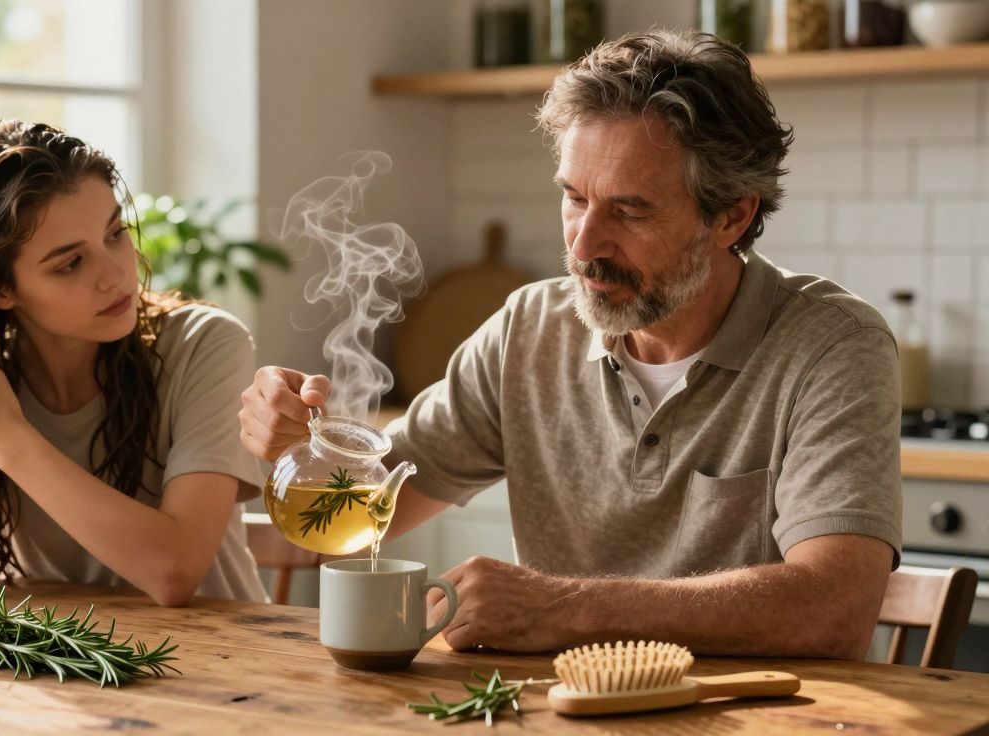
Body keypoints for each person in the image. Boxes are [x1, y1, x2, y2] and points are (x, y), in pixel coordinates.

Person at [238, 30, 901, 657]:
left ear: (732, 215)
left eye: (629, 210)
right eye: (574, 198)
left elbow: (834, 608)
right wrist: (299, 444)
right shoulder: (529, 330)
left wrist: (566, 608)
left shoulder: (831, 347)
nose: (583, 247)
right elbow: (377, 503)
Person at [0, 120, 267, 605]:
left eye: (114, 233)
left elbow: (173, 571)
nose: (116, 274)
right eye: (70, 263)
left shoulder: (204, 344)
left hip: (225, 666)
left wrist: (8, 440)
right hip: (63, 671)